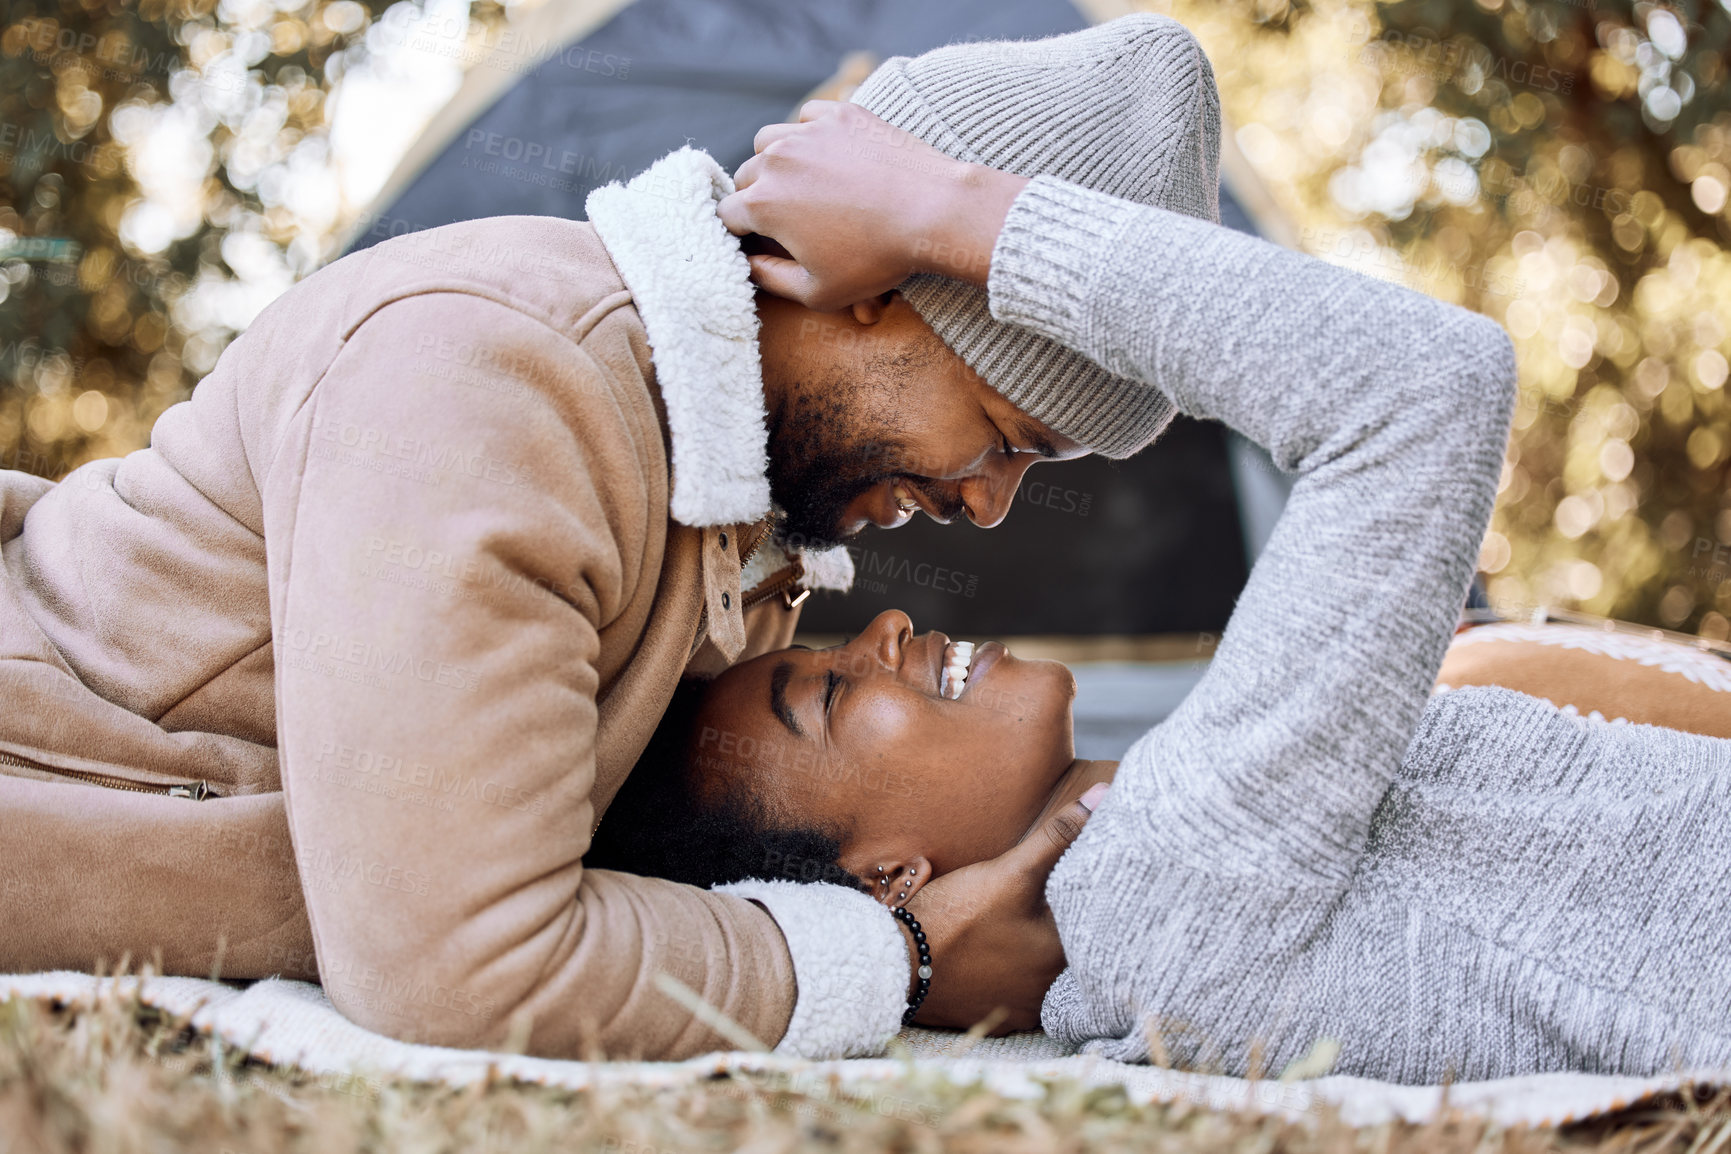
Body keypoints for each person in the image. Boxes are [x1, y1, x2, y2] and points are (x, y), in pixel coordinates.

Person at [0, 15, 1234, 1062]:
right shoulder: (502, 379)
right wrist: (899, 959)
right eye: (1006, 435)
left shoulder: (743, 523)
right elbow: (463, 966)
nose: (990, 505)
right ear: (876, 291)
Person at [592, 598, 1731, 1082]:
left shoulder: (1145, 881)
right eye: (831, 692)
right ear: (889, 878)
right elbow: (1427, 395)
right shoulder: (1148, 883)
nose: (884, 626)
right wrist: (964, 221)